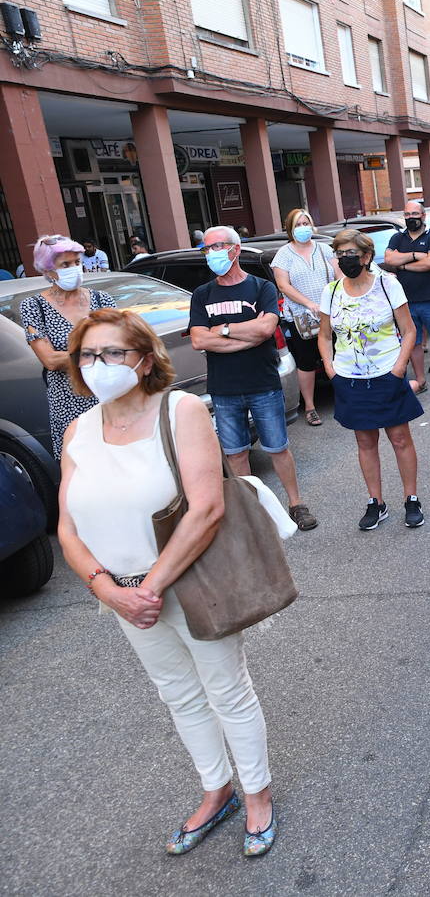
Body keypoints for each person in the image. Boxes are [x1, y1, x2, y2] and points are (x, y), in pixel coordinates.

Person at [58, 308, 280, 857]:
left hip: (185, 582)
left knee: (227, 690)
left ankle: (257, 795)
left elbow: (205, 508)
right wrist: (108, 591)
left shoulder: (179, 410)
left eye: (112, 352)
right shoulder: (78, 430)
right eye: (88, 355)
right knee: (178, 694)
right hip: (123, 594)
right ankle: (217, 788)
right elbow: (65, 526)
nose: (99, 364)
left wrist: (148, 589)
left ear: (144, 357)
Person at [187, 226, 316, 531]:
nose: (211, 254)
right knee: (235, 454)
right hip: (224, 387)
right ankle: (254, 511)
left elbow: (265, 330)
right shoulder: (202, 294)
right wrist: (244, 332)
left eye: (216, 247)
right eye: (206, 249)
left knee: (278, 448)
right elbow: (198, 340)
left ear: (235, 248)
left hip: (262, 382)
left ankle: (296, 504)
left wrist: (222, 331)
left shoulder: (261, 288)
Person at [317, 230, 426, 529]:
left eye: (351, 254)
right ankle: (376, 503)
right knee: (365, 441)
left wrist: (399, 368)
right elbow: (325, 336)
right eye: (341, 255)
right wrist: (330, 368)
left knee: (400, 438)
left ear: (366, 257)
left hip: (387, 373)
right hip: (349, 378)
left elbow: (410, 330)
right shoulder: (332, 291)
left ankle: (411, 498)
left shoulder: (387, 284)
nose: (346, 260)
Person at [20, 235, 117, 458]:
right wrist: (101, 351)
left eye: (76, 262)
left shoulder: (102, 300)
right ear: (48, 271)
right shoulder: (34, 307)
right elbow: (50, 360)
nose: (74, 268)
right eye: (65, 264)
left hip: (110, 396)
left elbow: (124, 346)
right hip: (68, 402)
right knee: (81, 470)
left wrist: (79, 355)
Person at [270, 208, 337, 426]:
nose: (303, 228)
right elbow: (283, 285)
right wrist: (308, 303)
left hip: (331, 313)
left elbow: (340, 274)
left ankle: (346, 398)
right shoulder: (284, 254)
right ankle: (309, 406)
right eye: (297, 224)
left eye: (305, 222)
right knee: (306, 362)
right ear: (290, 228)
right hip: (301, 317)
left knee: (338, 355)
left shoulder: (325, 249)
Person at [383, 201, 430, 396]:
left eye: (415, 213)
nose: (410, 217)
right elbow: (389, 259)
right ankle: (420, 380)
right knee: (413, 343)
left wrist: (403, 264)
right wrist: (415, 255)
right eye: (407, 214)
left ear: (423, 216)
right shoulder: (397, 238)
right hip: (406, 301)